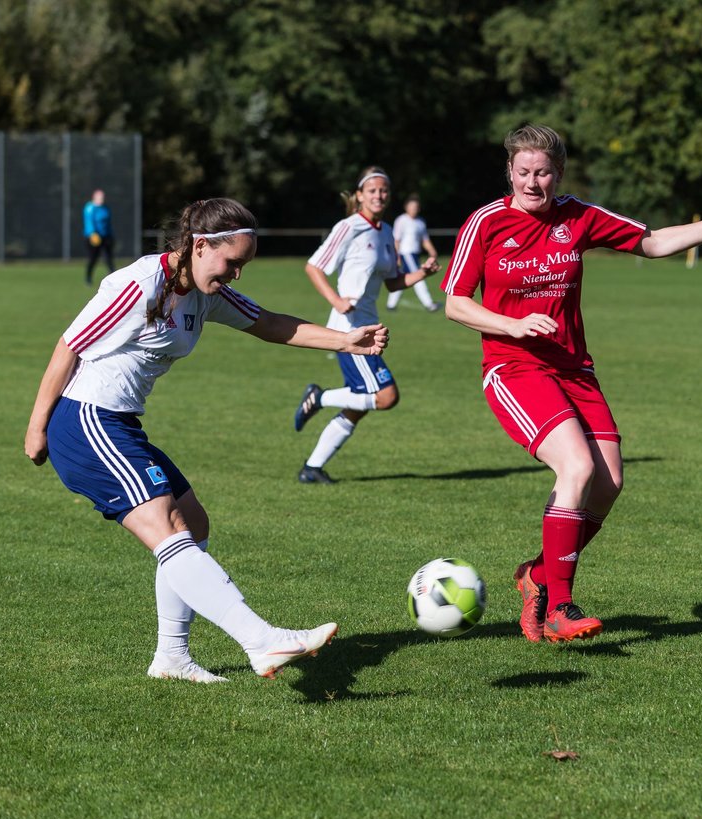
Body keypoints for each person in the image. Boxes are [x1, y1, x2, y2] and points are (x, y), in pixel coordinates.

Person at [25, 198, 389, 683]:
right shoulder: (137, 283)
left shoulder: (205, 291)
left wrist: (347, 340)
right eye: (232, 261)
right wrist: (36, 427)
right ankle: (261, 640)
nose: (237, 274)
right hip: (86, 422)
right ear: (199, 246)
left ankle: (171, 658)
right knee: (168, 527)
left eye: (244, 264)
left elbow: (268, 323)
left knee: (193, 522)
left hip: (120, 424)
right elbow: (69, 346)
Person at [442, 124, 702, 643]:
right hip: (514, 367)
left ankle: (537, 576)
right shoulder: (485, 223)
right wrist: (512, 325)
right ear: (509, 171)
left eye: (544, 172)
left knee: (609, 481)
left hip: (574, 369)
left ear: (560, 173)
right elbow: (455, 302)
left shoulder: (577, 216)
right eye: (524, 172)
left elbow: (652, 241)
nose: (534, 183)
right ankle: (560, 607)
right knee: (575, 466)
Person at [292, 167, 440, 484]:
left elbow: (393, 283)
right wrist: (336, 300)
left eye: (383, 190)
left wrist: (424, 273)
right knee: (386, 396)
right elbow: (313, 266)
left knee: (360, 404)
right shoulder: (348, 227)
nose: (378, 195)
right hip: (348, 331)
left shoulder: (386, 231)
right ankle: (319, 398)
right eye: (372, 190)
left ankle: (312, 468)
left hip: (371, 332)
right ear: (360, 195)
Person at [386, 194, 441, 312]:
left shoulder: (420, 222)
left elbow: (425, 240)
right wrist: (397, 256)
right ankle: (429, 304)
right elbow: (396, 240)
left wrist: (432, 250)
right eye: (411, 207)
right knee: (420, 277)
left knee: (403, 278)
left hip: (415, 255)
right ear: (406, 207)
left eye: (416, 207)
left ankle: (391, 305)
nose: (414, 209)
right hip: (406, 254)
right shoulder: (401, 220)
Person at [83, 189, 115, 285]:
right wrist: (93, 233)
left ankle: (114, 279)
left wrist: (111, 235)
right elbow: (89, 222)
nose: (102, 199)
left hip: (106, 237)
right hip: (94, 237)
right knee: (93, 258)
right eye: (100, 197)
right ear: (94, 197)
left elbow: (108, 224)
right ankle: (88, 278)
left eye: (103, 197)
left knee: (109, 259)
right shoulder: (90, 208)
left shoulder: (105, 208)